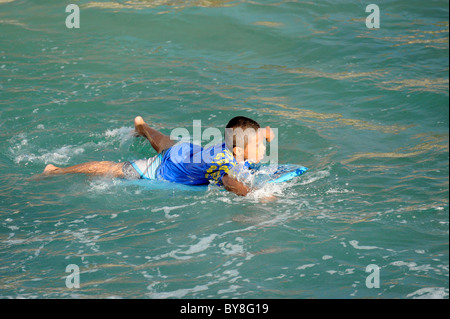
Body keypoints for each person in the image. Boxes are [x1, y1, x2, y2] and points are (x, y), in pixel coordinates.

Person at [42, 116, 275, 197]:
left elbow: (251, 136)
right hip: (167, 168)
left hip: (186, 151)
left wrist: (265, 134)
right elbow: (230, 183)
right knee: (115, 169)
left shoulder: (235, 143)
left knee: (163, 141)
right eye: (258, 144)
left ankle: (141, 127)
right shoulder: (225, 162)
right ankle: (57, 170)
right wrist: (255, 195)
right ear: (237, 151)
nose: (262, 147)